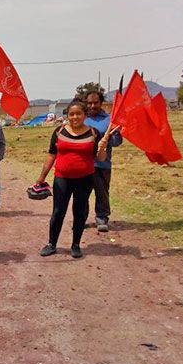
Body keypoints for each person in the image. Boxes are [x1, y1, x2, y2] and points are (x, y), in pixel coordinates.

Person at [35, 101, 113, 258]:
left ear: (84, 115)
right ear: (67, 115)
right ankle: (52, 243)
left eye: (78, 114)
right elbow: (51, 155)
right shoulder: (59, 131)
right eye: (71, 114)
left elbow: (100, 158)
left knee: (80, 212)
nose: (74, 117)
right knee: (58, 211)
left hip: (85, 179)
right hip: (62, 179)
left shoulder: (94, 133)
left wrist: (102, 147)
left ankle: (76, 245)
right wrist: (41, 177)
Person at [84, 91, 123, 232]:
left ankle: (102, 218)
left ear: (101, 103)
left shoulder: (110, 120)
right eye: (90, 103)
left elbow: (118, 140)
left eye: (95, 103)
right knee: (82, 194)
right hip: (83, 165)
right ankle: (81, 219)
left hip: (102, 164)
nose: (92, 106)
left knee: (102, 193)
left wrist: (107, 139)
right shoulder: (81, 118)